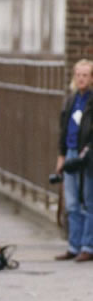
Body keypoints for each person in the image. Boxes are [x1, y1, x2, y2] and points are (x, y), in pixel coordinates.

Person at [54, 59, 93, 262]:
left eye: (85, 75)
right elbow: (64, 129)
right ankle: (74, 245)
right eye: (78, 74)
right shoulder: (71, 100)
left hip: (87, 156)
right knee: (71, 202)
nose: (81, 79)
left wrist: (86, 152)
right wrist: (61, 156)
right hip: (70, 152)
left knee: (88, 201)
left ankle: (88, 246)